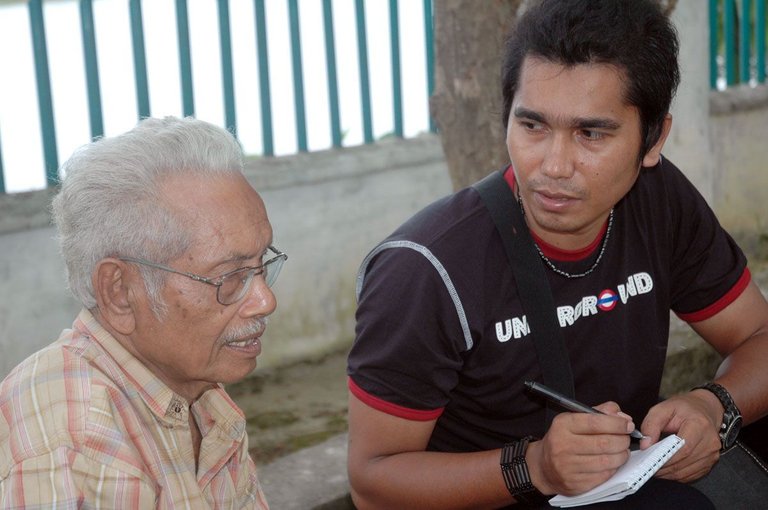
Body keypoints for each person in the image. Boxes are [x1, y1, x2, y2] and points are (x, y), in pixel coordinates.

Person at [346, 1, 768, 508]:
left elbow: (758, 338)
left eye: (591, 133)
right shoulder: (425, 269)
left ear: (653, 139)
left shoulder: (658, 201)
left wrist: (713, 405)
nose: (554, 165)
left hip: (619, 483)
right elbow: (372, 483)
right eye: (533, 126)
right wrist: (535, 467)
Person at [0, 116, 287, 508]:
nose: (265, 300)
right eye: (230, 276)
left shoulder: (198, 398)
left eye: (261, 264)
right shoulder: (83, 448)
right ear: (119, 292)